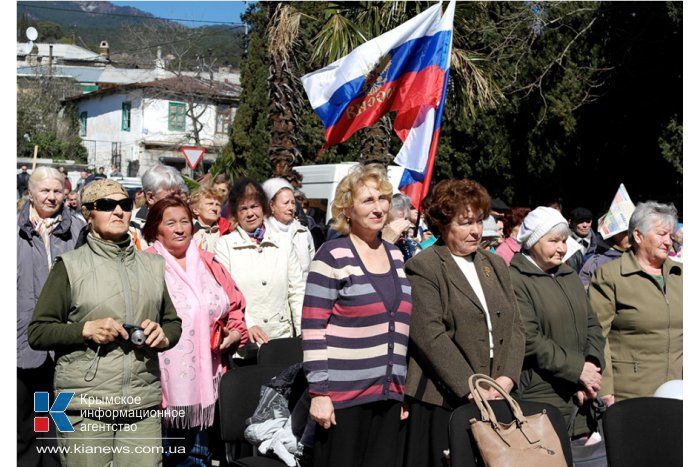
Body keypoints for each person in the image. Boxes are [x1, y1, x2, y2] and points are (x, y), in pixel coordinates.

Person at [27, 179, 182, 467]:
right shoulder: (69, 265)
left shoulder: (152, 265)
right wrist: (85, 329)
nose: (119, 212)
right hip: (84, 406)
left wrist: (164, 335)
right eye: (107, 206)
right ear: (89, 214)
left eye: (124, 205)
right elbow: (38, 332)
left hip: (142, 404)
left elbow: (172, 322)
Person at [403, 179, 525, 467]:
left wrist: (508, 377)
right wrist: (470, 387)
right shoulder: (425, 266)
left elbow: (516, 326)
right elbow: (429, 335)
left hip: (497, 394)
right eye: (465, 222)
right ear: (444, 225)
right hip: (445, 401)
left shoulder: (493, 263)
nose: (476, 231)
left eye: (479, 221)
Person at [302, 164, 412, 467]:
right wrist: (319, 393)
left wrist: (400, 388)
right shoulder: (332, 255)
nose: (378, 208)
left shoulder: (395, 255)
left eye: (383, 199)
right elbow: (313, 328)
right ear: (347, 209)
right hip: (342, 398)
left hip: (388, 395)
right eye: (368, 201)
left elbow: (399, 327)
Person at [142, 197, 248, 466]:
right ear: (156, 229)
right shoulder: (144, 265)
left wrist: (235, 334)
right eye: (171, 223)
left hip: (207, 382)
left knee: (198, 457)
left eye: (184, 222)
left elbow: (235, 308)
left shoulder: (208, 262)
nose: (180, 229)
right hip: (160, 387)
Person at [509, 206, 605, 434]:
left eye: (564, 240)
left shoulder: (569, 275)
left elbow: (592, 324)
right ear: (533, 242)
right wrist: (578, 369)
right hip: (541, 395)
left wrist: (591, 365)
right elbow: (529, 339)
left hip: (581, 396)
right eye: (554, 241)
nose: (562, 248)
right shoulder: (515, 280)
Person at [17, 166, 84, 467]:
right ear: (30, 193)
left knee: (59, 423)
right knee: (24, 423)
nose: (52, 196)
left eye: (57, 190)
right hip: (22, 341)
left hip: (64, 343)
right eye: (44, 190)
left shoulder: (79, 230)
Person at [588, 202, 682, 404]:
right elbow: (597, 334)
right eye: (661, 234)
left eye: (671, 235)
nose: (669, 242)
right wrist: (604, 389)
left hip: (678, 391)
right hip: (631, 394)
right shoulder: (610, 275)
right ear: (638, 236)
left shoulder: (681, 275)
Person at [214, 178, 304, 346]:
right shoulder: (224, 245)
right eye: (243, 209)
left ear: (264, 207)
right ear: (235, 213)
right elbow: (226, 294)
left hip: (281, 337)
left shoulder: (283, 242)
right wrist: (248, 324)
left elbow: (297, 289)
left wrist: (302, 330)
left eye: (254, 206)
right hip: (245, 342)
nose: (250, 214)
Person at [262, 177, 316, 281]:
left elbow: (312, 269)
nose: (291, 207)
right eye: (286, 203)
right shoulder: (263, 232)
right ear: (272, 206)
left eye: (293, 203)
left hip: (301, 292)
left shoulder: (303, 233)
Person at [132, 164, 185, 232]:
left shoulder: (191, 223)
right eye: (171, 197)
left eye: (179, 193)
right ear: (150, 198)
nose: (178, 200)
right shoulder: (132, 224)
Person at [189, 187, 234, 252]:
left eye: (217, 205)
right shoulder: (187, 230)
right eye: (210, 204)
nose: (214, 208)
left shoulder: (228, 230)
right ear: (196, 210)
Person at [382, 193, 421, 261]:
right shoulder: (374, 244)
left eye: (405, 220)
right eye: (398, 223)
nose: (405, 228)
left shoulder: (411, 246)